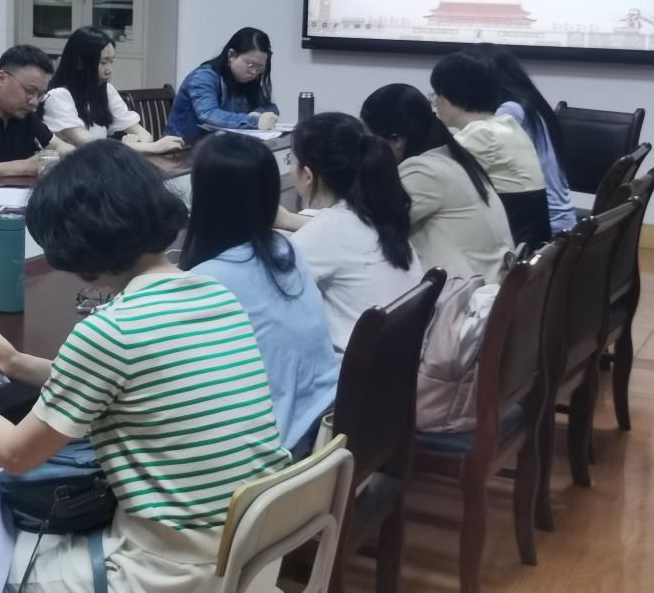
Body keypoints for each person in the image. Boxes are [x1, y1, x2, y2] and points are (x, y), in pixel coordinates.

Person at [0, 141, 291, 592]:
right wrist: (18, 364)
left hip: (171, 572)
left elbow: (16, 455)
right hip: (253, 551)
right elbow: (136, 384)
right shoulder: (216, 295)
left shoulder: (110, 331)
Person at [180, 133, 338, 456]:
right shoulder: (285, 248)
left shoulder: (208, 280)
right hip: (323, 417)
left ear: (204, 199)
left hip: (278, 446)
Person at [276, 112, 423, 352]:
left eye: (290, 160)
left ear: (307, 174)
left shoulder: (330, 229)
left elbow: (272, 288)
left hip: (349, 367)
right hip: (396, 362)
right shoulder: (380, 213)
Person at [361, 83, 515, 281]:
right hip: (492, 285)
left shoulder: (423, 172)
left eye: (369, 142)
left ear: (397, 139)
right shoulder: (451, 157)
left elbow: (366, 225)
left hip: (471, 294)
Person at [431, 50, 551, 246]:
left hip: (512, 250)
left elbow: (430, 172)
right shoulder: (505, 124)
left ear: (454, 94)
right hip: (530, 244)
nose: (434, 101)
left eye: (437, 93)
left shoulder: (482, 135)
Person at [468, 43, 577, 233]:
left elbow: (477, 156)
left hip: (545, 227)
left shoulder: (510, 110)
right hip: (559, 220)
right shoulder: (529, 102)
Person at [43, 26, 184, 154]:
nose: (109, 70)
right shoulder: (58, 96)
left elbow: (145, 135)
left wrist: (137, 141)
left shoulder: (106, 90)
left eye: (111, 61)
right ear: (80, 63)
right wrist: (152, 147)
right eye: (103, 62)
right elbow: (89, 145)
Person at [0, 44, 72, 173]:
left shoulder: (23, 114)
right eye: (30, 91)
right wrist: (24, 166)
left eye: (40, 95)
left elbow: (58, 146)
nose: (34, 102)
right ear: (1, 79)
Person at [163, 27, 280, 138]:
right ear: (231, 55)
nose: (254, 72)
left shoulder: (247, 80)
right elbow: (208, 114)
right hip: (184, 146)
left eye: (260, 67)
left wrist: (259, 114)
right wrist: (255, 121)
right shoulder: (203, 76)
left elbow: (269, 107)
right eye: (250, 65)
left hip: (220, 145)